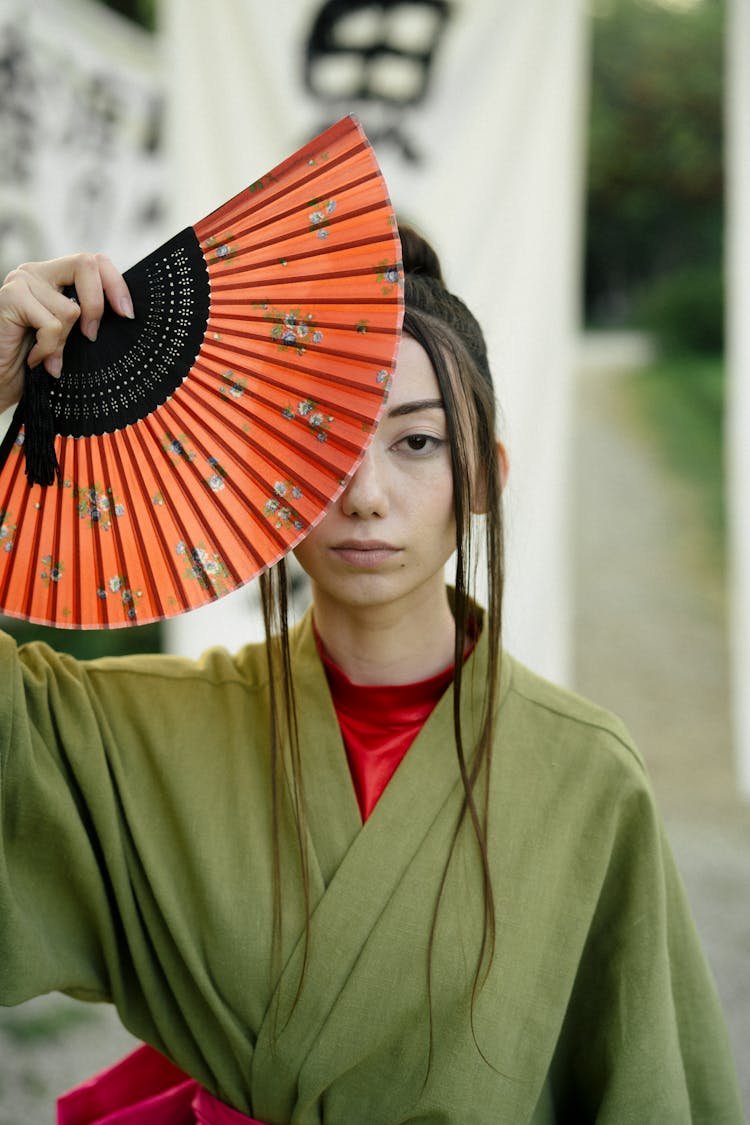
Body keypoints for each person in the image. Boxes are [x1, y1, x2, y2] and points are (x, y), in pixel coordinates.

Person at [0, 229, 744, 1125]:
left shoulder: (587, 778)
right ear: (267, 475)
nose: (365, 492)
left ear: (484, 478)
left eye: (417, 442)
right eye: (323, 440)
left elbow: (652, 1094)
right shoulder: (136, 734)